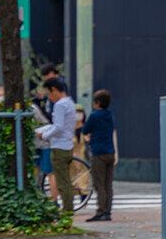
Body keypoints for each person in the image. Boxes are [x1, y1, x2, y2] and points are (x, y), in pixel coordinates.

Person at [37, 77, 76, 216]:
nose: (49, 97)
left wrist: (44, 135)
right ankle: (68, 208)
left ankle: (67, 211)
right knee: (65, 180)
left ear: (54, 90)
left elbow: (58, 127)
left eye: (49, 93)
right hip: (68, 145)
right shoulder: (70, 102)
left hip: (59, 146)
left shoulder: (60, 105)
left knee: (62, 181)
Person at [82, 89, 117, 222]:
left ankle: (101, 211)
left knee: (99, 184)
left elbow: (85, 129)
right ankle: (108, 211)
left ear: (97, 102)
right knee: (108, 184)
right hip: (110, 152)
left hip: (99, 153)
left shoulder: (95, 115)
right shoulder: (109, 114)